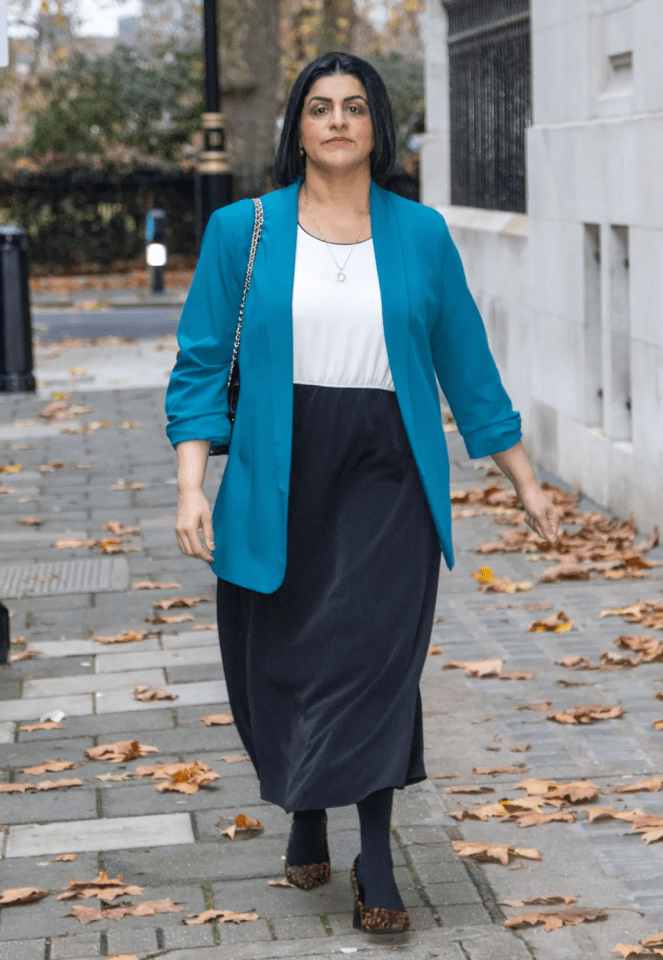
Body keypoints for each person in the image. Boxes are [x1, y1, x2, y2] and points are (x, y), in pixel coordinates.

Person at [165, 51, 561, 935]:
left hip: (389, 470)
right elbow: (198, 365)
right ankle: (307, 806)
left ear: (376, 127)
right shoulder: (245, 230)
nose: (337, 119)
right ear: (297, 130)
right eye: (318, 107)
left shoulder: (418, 233)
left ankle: (375, 858)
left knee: (374, 663)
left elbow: (467, 367)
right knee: (289, 658)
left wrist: (526, 484)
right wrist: (193, 484)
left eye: (353, 106)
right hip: (281, 464)